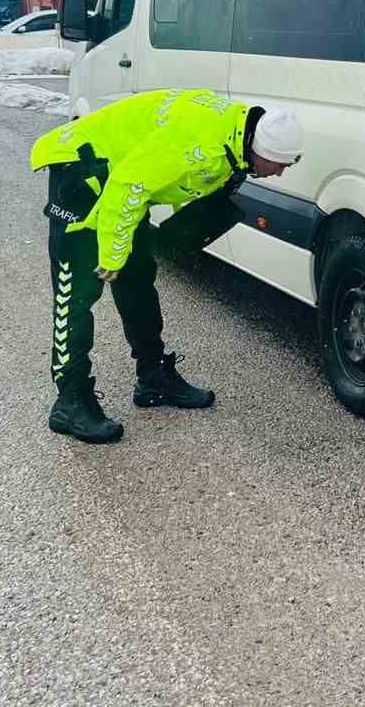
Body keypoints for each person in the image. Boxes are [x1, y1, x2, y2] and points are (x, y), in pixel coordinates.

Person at [30, 88, 303, 443]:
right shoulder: (198, 142)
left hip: (119, 174)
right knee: (78, 291)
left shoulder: (237, 139)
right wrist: (111, 260)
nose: (280, 173)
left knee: (139, 279)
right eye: (279, 164)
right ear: (259, 151)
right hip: (83, 168)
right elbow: (128, 188)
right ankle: (69, 399)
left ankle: (153, 377)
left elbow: (173, 185)